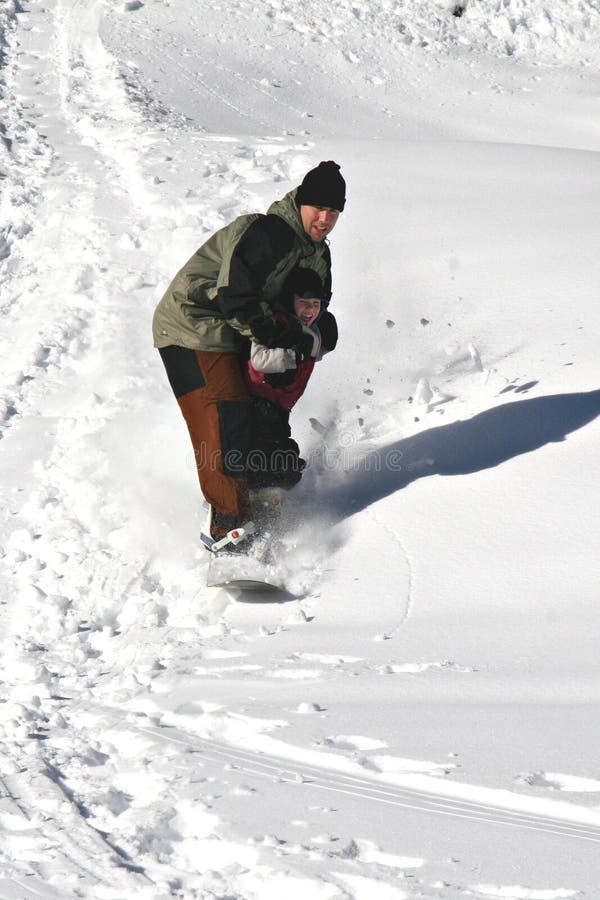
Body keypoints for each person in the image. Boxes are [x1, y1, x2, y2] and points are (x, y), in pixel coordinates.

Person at [153, 160, 346, 546]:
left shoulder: (318, 256)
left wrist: (318, 332)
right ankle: (226, 527)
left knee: (260, 418)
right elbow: (236, 298)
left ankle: (258, 507)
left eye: (334, 211)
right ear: (301, 204)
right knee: (225, 417)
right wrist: (284, 335)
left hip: (240, 336)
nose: (324, 218)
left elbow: (311, 312)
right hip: (193, 326)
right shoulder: (268, 233)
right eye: (318, 208)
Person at [245, 266, 338, 491]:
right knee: (268, 455)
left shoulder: (314, 332)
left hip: (280, 407)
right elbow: (258, 359)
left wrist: (324, 346)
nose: (310, 310)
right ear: (290, 300)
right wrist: (290, 356)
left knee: (284, 461)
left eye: (315, 305)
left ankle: (270, 498)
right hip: (257, 400)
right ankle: (249, 495)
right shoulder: (276, 323)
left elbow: (310, 357)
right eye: (304, 303)